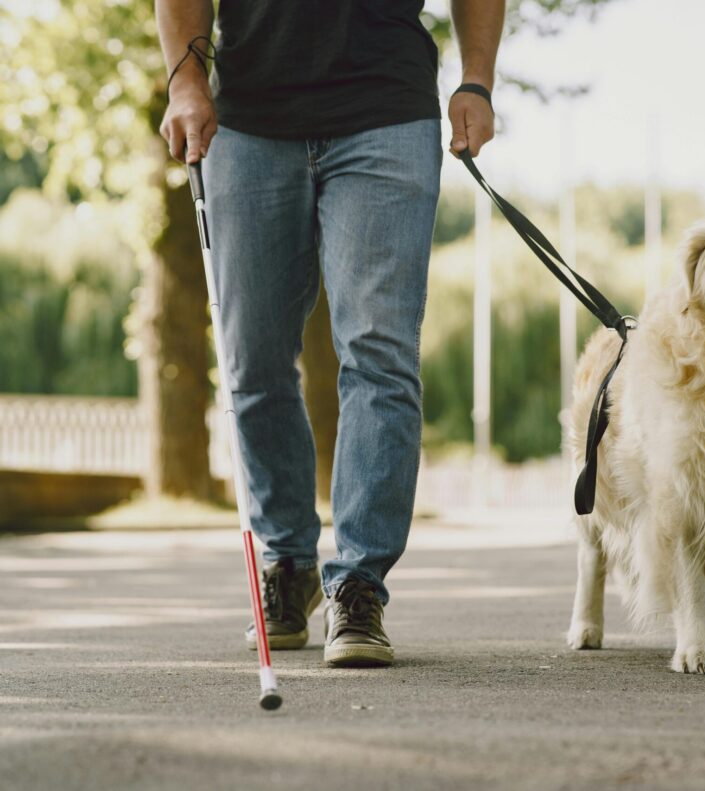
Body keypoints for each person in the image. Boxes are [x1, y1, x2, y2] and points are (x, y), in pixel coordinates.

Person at [156, 0, 503, 668]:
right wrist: (186, 82)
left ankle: (359, 584)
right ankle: (288, 562)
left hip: (387, 112)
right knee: (251, 357)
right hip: (249, 119)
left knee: (379, 350)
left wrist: (477, 80)